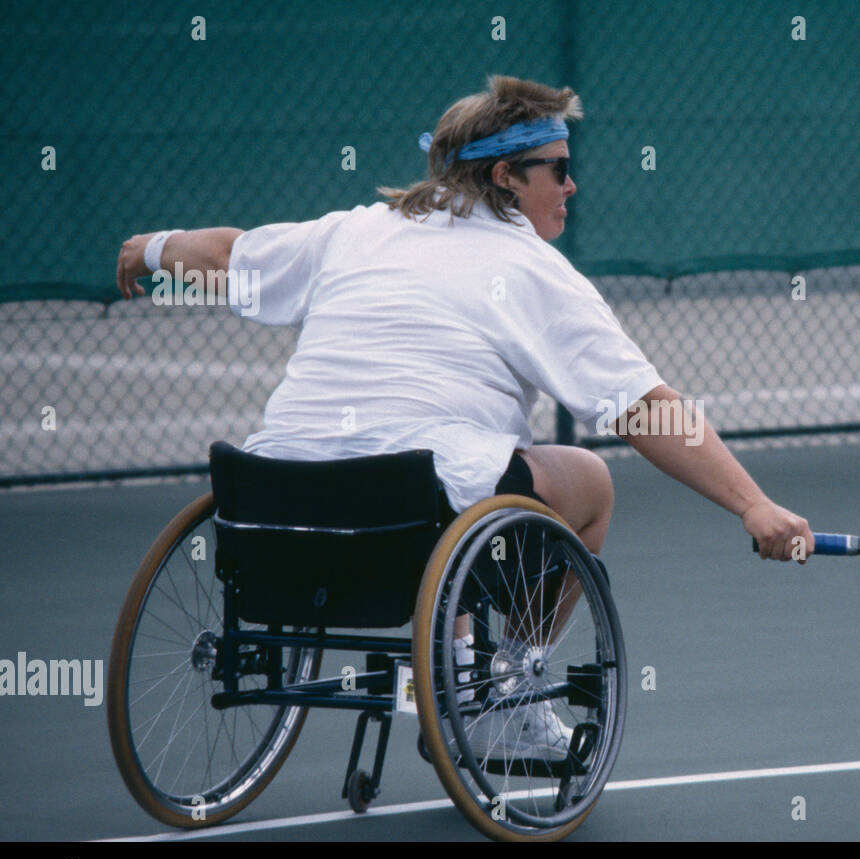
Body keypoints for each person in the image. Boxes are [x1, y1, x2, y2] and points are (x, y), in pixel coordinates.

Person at [116, 75, 812, 759]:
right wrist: (752, 505)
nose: (572, 185)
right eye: (558, 168)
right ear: (506, 175)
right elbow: (643, 409)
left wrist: (151, 248)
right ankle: (509, 684)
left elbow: (227, 255)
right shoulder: (533, 268)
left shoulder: (353, 231)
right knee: (584, 483)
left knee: (456, 472)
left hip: (273, 511)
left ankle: (451, 661)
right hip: (414, 525)